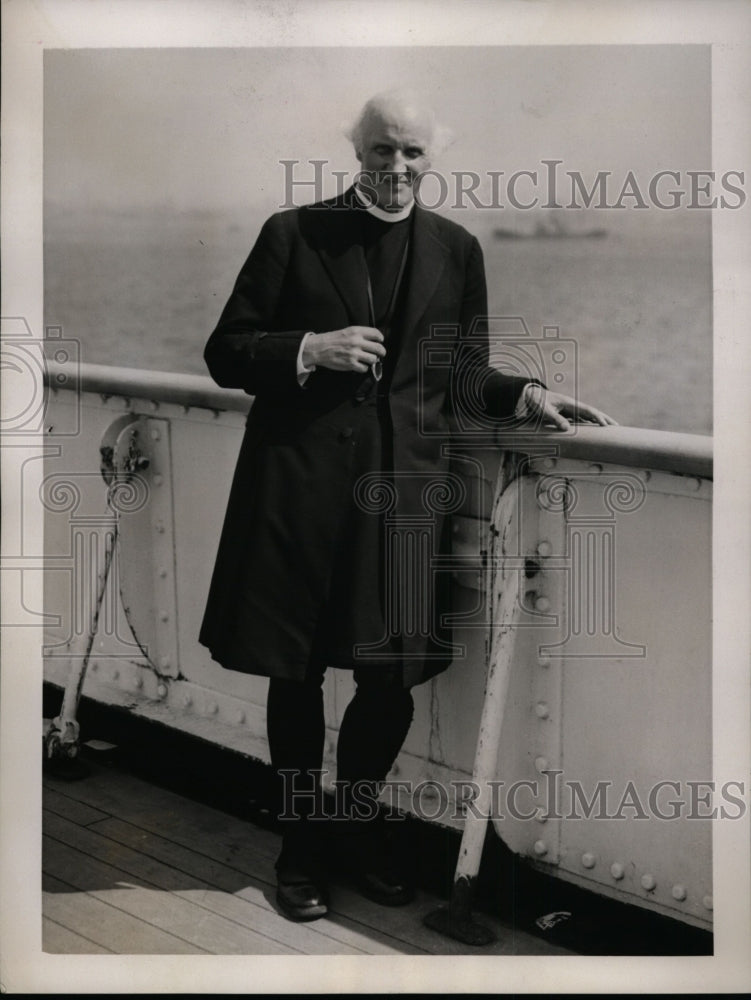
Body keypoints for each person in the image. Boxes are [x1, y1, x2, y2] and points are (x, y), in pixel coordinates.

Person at [199, 90, 615, 922]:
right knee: (298, 670)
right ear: (357, 151)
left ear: (433, 158)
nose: (396, 168)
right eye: (382, 151)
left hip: (402, 496)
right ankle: (300, 847)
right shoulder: (294, 232)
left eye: (412, 153)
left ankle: (348, 830)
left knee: (387, 679)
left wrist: (526, 391)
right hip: (300, 491)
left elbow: (462, 374)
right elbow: (225, 352)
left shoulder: (455, 249)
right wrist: (307, 349)